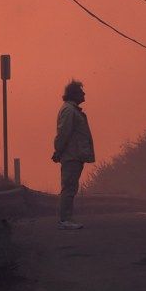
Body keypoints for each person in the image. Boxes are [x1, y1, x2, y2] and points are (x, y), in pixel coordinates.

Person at [52, 80, 94, 230]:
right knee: (69, 187)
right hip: (71, 155)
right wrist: (58, 151)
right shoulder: (70, 111)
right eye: (81, 92)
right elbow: (63, 133)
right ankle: (65, 219)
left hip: (74, 155)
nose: (84, 94)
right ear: (74, 94)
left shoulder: (72, 110)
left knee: (70, 187)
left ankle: (66, 218)